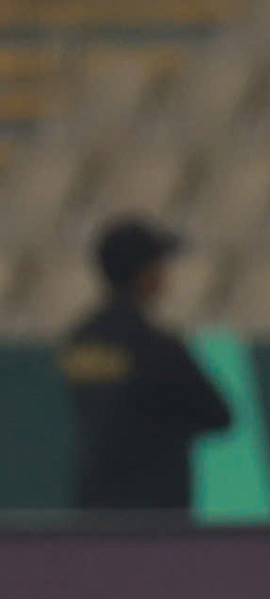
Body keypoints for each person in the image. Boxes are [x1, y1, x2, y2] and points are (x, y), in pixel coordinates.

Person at [59, 216, 231, 512]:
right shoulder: (155, 345)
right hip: (155, 508)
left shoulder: (79, 340)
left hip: (94, 503)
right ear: (145, 274)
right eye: (159, 265)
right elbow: (219, 415)